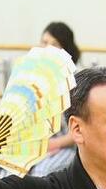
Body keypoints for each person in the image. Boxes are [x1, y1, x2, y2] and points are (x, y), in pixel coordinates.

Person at [28, 22, 80, 177]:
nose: (47, 48)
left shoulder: (76, 81)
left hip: (69, 147)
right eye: (44, 43)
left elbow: (81, 128)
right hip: (38, 147)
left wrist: (51, 145)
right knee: (8, 172)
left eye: (54, 44)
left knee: (41, 173)